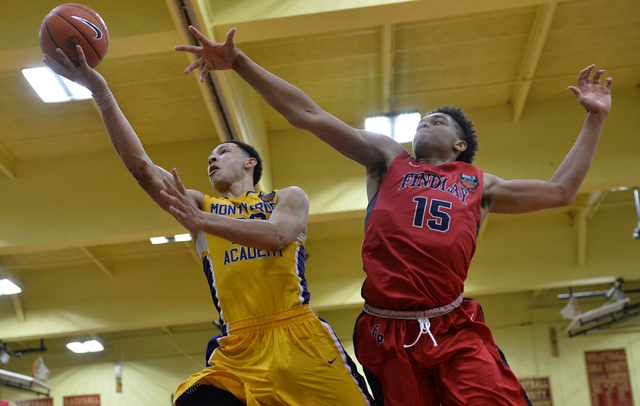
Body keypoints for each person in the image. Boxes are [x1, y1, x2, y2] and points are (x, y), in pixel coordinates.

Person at [174, 26, 612, 406]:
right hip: (386, 328)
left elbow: (560, 192)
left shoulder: (482, 185)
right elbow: (306, 114)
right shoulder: (388, 159)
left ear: (460, 146)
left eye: (437, 121)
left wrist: (594, 119)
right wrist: (240, 63)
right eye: (422, 119)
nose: (425, 122)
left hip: (453, 323)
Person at [43, 47, 374, 406]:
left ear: (251, 163)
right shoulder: (201, 205)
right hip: (238, 348)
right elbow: (141, 168)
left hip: (300, 338)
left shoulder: (285, 197)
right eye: (209, 157)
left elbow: (277, 236)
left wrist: (202, 221)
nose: (212, 158)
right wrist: (101, 92)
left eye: (223, 152)